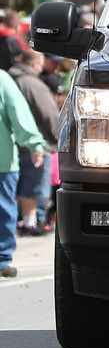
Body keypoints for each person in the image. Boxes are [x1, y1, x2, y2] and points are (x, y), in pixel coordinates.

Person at [0, 68, 46, 278]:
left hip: (3, 162)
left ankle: (2, 258)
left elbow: (18, 112)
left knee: (5, 210)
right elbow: (18, 112)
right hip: (4, 162)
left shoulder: (2, 79)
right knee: (4, 210)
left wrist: (34, 144)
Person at [8, 50, 58, 235]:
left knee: (20, 183)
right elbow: (48, 114)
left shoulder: (10, 79)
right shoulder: (32, 84)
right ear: (35, 63)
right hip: (35, 140)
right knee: (35, 183)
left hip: (14, 140)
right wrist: (58, 135)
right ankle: (31, 222)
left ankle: (24, 220)